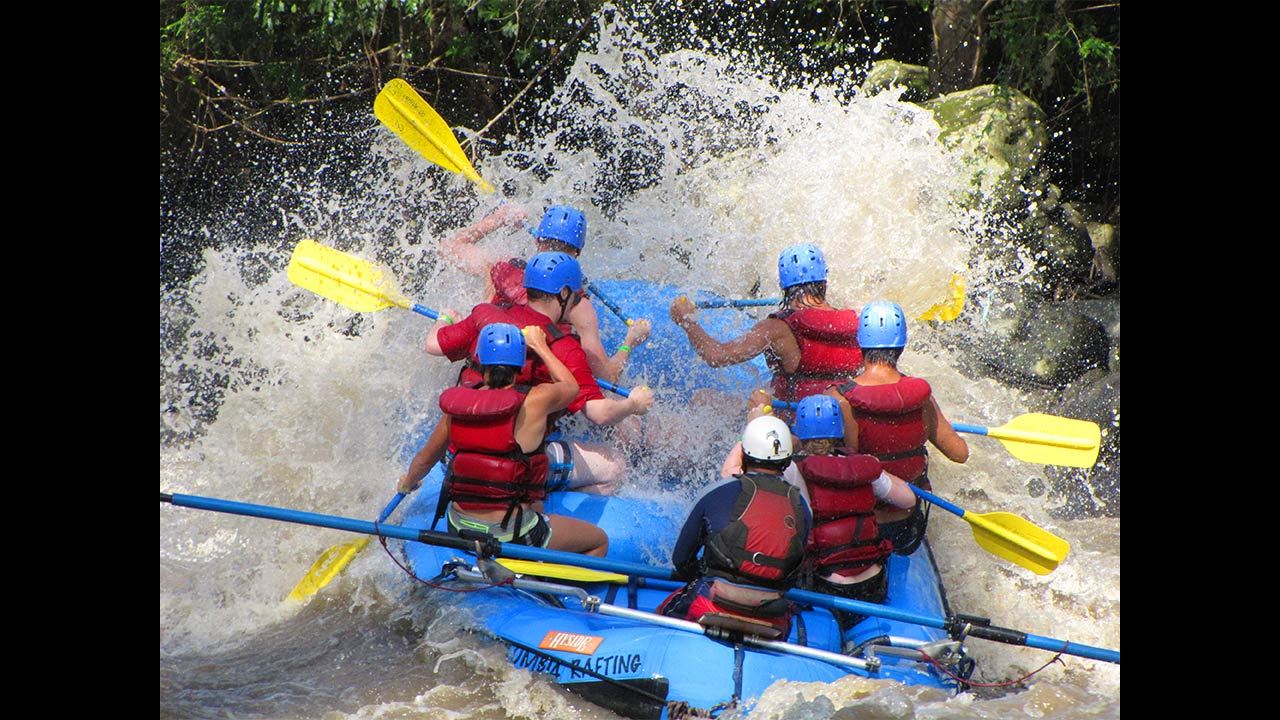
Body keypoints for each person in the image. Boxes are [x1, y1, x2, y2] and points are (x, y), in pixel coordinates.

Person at [425, 252, 654, 494]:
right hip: (510, 467)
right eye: (575, 297)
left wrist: (445, 318)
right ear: (564, 294)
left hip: (459, 454)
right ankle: (544, 505)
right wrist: (632, 405)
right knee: (615, 466)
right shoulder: (564, 347)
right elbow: (600, 414)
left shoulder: (486, 317)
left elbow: (432, 345)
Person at [397, 323, 608, 556]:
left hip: (458, 527)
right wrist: (540, 346)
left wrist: (407, 483)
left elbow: (424, 461)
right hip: (512, 534)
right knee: (599, 541)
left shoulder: (457, 407)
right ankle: (545, 584)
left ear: (480, 362)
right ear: (520, 364)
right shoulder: (536, 400)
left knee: (536, 503)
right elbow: (571, 387)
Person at [440, 203, 652, 383]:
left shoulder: (501, 269)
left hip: (477, 376)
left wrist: (499, 217)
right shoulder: (577, 305)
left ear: (537, 240)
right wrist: (630, 341)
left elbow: (450, 247)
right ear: (577, 252)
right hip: (532, 394)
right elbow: (606, 376)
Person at [656, 416, 811, 639]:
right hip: (772, 614)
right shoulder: (801, 507)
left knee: (663, 612)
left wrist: (704, 573)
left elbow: (681, 559)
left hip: (713, 601)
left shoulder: (717, 492)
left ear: (744, 454)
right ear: (787, 461)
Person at [835, 300, 968, 556]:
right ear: (902, 345)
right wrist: (935, 421)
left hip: (857, 526)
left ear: (861, 343)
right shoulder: (922, 399)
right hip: (905, 527)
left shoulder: (839, 399)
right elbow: (960, 453)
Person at [669, 243, 861, 418]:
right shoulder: (857, 322)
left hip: (794, 423)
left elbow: (716, 355)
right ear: (824, 283)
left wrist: (688, 322)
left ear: (783, 286)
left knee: (703, 398)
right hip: (842, 421)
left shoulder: (777, 328)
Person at [788, 394, 916, 635]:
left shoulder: (794, 469)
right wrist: (879, 470)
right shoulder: (866, 465)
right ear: (838, 432)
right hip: (873, 585)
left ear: (800, 433)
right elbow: (908, 499)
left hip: (826, 586)